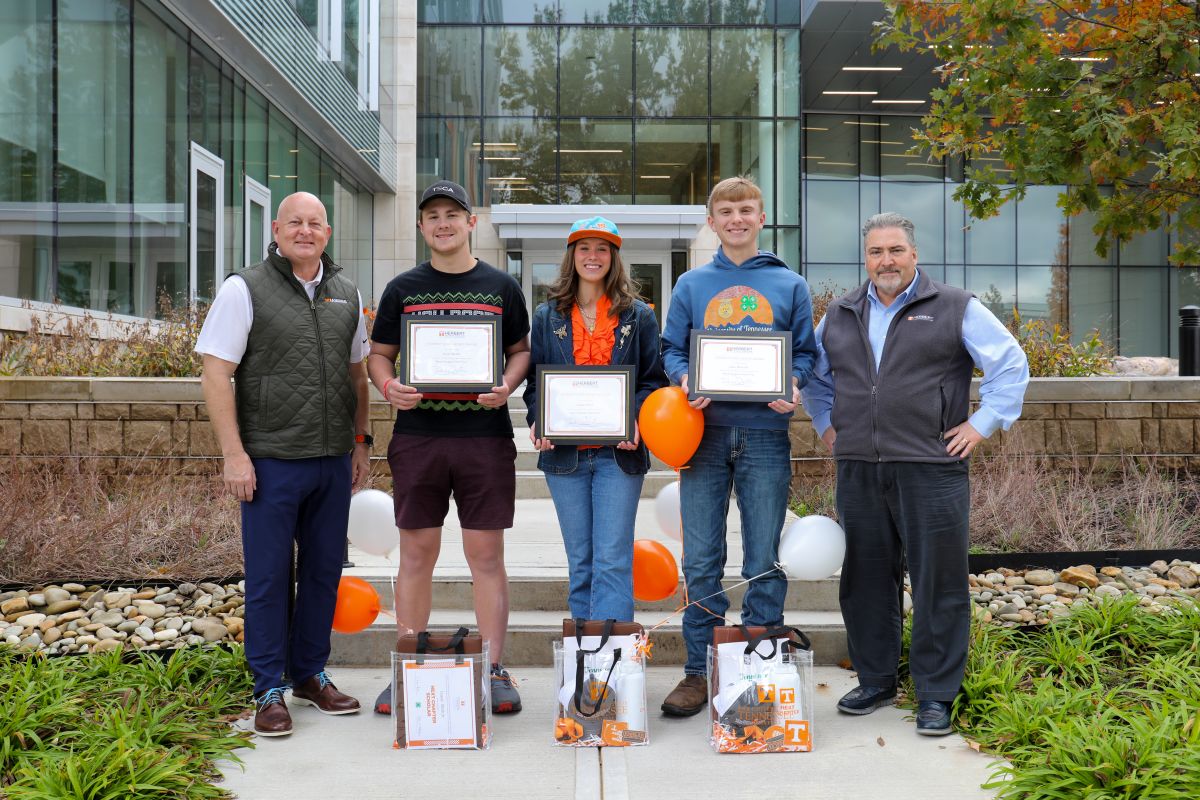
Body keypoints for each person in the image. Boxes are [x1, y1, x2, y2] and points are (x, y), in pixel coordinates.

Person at [801, 212, 1030, 735]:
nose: (886, 260)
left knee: (938, 583)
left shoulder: (954, 306)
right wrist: (825, 423)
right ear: (866, 259)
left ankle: (935, 694)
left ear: (914, 254)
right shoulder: (839, 312)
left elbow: (1010, 364)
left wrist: (980, 425)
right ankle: (876, 679)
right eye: (877, 252)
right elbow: (812, 374)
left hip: (932, 466)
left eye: (896, 250)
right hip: (859, 466)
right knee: (865, 581)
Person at [196, 191, 370, 738]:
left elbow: (358, 376)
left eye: (315, 223)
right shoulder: (243, 288)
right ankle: (268, 687)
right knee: (270, 578)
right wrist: (233, 454)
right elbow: (215, 373)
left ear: (328, 232)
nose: (304, 231)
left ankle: (310, 675)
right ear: (276, 229)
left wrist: (361, 442)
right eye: (294, 222)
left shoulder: (347, 293)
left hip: (332, 460)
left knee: (323, 573)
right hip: (270, 461)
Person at [367, 180, 530, 715]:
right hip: (419, 438)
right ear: (421, 227)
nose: (443, 223)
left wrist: (507, 385)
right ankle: (409, 659)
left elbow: (520, 352)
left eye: (452, 214)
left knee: (487, 557)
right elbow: (379, 356)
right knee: (417, 554)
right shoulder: (402, 289)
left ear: (470, 223)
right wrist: (388, 387)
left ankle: (495, 668)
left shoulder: (502, 286)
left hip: (484, 438)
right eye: (432, 215)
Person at [658, 176, 818, 717]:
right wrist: (684, 381)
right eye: (725, 211)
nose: (736, 219)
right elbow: (671, 350)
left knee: (763, 557)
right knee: (702, 558)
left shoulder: (790, 285)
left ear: (761, 217)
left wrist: (793, 383)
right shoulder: (691, 285)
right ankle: (697, 671)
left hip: (766, 436)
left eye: (746, 209)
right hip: (703, 436)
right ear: (711, 221)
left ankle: (761, 660)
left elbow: (805, 353)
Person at [524, 217, 668, 621]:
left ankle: (613, 665)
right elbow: (536, 385)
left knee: (613, 560)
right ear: (572, 255)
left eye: (602, 249)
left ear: (614, 257)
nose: (593, 256)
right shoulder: (547, 315)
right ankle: (584, 662)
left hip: (617, 458)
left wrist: (637, 419)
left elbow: (653, 380)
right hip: (564, 458)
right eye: (584, 248)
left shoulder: (638, 316)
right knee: (581, 561)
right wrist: (539, 420)